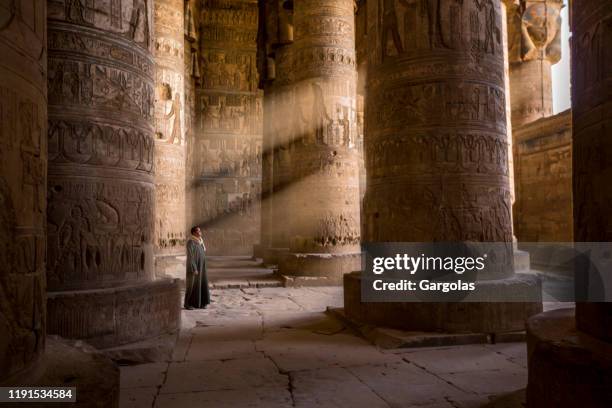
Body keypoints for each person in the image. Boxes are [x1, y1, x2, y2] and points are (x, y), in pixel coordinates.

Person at [184, 226, 210, 309]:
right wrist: (194, 268)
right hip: (194, 268)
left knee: (201, 284)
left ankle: (201, 303)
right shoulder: (191, 242)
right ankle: (188, 304)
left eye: (200, 231)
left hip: (201, 267)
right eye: (198, 231)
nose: (200, 232)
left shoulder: (200, 242)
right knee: (191, 285)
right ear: (194, 233)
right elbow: (190, 256)